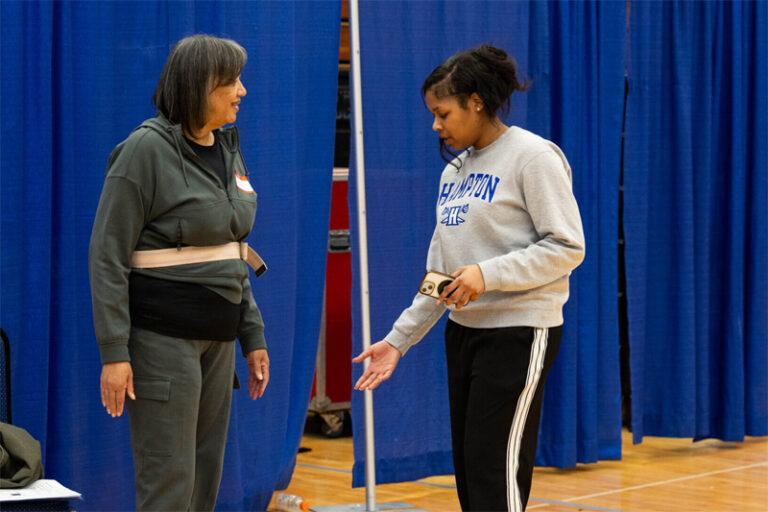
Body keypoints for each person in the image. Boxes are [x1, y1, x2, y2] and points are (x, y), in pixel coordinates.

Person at [353, 45, 585, 512]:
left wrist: (487, 273)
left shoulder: (533, 157)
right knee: (470, 470)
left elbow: (567, 247)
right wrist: (398, 340)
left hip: (519, 331)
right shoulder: (454, 173)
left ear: (476, 102)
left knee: (493, 472)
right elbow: (439, 274)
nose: (435, 126)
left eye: (442, 114)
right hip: (464, 334)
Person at [89, 35, 269, 511]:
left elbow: (230, 250)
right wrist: (114, 352)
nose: (242, 91)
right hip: (162, 341)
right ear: (199, 85)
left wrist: (252, 335)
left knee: (203, 484)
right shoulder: (143, 150)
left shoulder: (228, 148)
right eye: (232, 81)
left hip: (219, 340)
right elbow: (107, 256)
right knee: (169, 486)